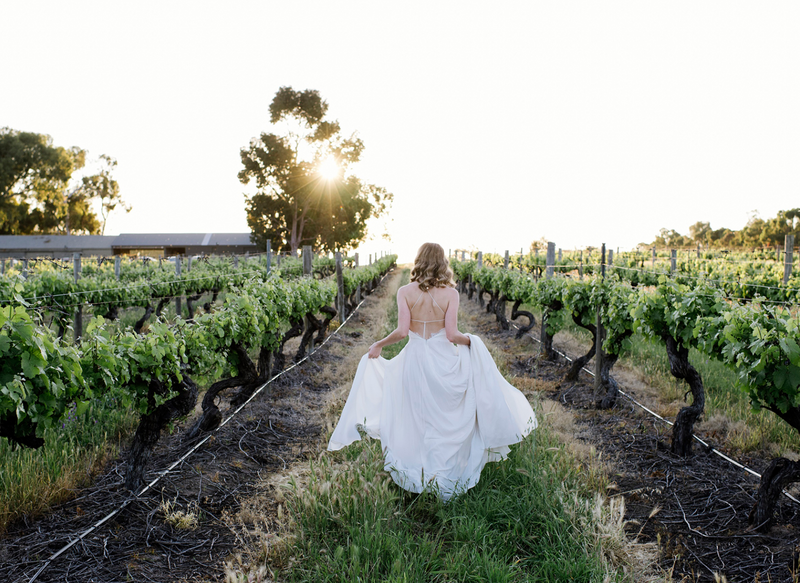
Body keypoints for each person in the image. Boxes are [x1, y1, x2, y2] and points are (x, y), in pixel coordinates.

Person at [328, 242, 537, 500]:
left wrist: (379, 344)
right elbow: (451, 335)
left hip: (414, 359)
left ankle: (418, 472)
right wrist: (473, 342)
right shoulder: (451, 294)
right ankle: (443, 473)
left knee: (416, 418)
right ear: (442, 263)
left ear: (419, 260)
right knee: (444, 418)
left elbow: (403, 332)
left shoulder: (405, 291)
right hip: (442, 360)